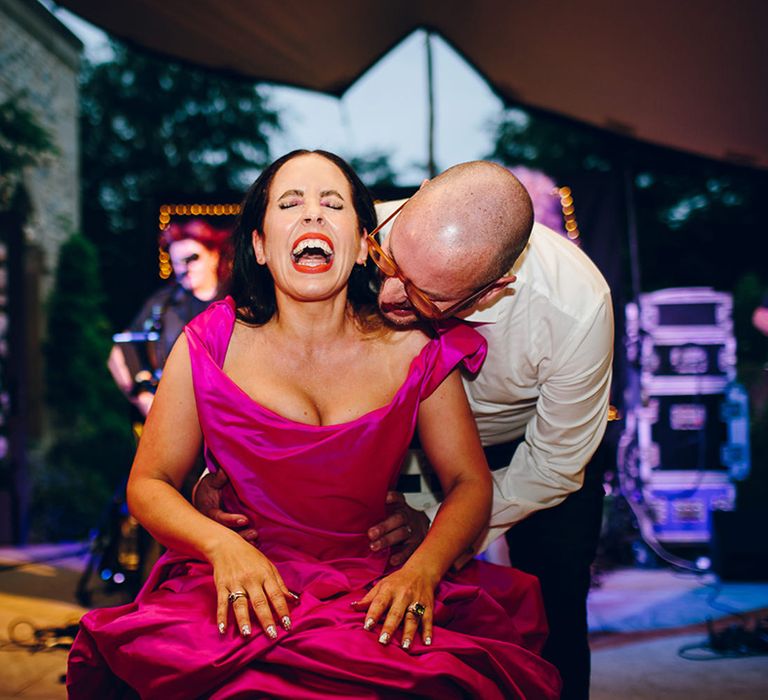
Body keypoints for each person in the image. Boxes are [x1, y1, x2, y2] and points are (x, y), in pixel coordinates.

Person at [67, 150, 561, 699]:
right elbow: (149, 483)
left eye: (332, 204)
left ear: (362, 244)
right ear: (258, 244)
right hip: (240, 583)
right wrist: (221, 548)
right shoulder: (208, 343)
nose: (312, 216)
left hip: (376, 587)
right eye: (289, 203)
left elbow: (470, 483)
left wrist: (424, 569)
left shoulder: (418, 348)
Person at [198, 160, 614, 700]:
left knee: (553, 607)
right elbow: (278, 362)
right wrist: (222, 475)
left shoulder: (576, 309)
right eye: (389, 263)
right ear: (415, 201)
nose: (390, 296)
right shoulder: (361, 232)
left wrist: (440, 534)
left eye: (424, 296)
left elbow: (554, 463)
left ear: (493, 291)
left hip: (525, 452)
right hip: (396, 443)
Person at [107, 218, 232, 417]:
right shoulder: (163, 303)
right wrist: (142, 395)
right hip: (179, 413)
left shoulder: (237, 298)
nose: (185, 268)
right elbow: (123, 347)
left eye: (193, 258)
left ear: (213, 256)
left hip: (230, 414)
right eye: (177, 262)